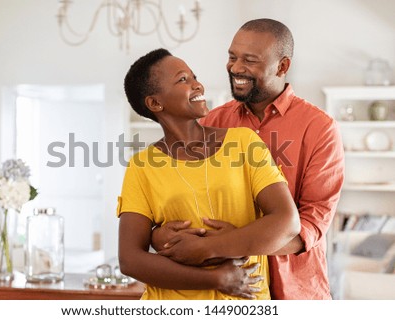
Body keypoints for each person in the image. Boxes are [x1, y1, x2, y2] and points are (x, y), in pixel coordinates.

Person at [152, 18, 345, 300]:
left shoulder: (319, 127)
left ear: (282, 66)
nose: (236, 68)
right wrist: (161, 232)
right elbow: (182, 194)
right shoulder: (212, 121)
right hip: (226, 291)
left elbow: (312, 224)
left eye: (250, 60)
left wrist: (233, 243)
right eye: (232, 57)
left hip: (294, 292)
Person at [117, 48, 300, 300]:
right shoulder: (142, 166)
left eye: (194, 77)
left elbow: (287, 221)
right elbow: (130, 260)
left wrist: (205, 248)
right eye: (183, 80)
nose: (197, 85)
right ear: (155, 103)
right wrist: (216, 278)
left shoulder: (244, 142)